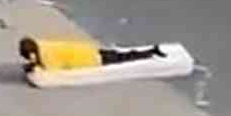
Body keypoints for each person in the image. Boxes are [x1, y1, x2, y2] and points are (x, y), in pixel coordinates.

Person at [19, 37, 166, 74]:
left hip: (90, 59)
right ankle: (150, 50)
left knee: (124, 59)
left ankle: (151, 52)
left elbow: (52, 69)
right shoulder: (43, 44)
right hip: (88, 50)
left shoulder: (46, 57)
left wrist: (35, 67)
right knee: (121, 54)